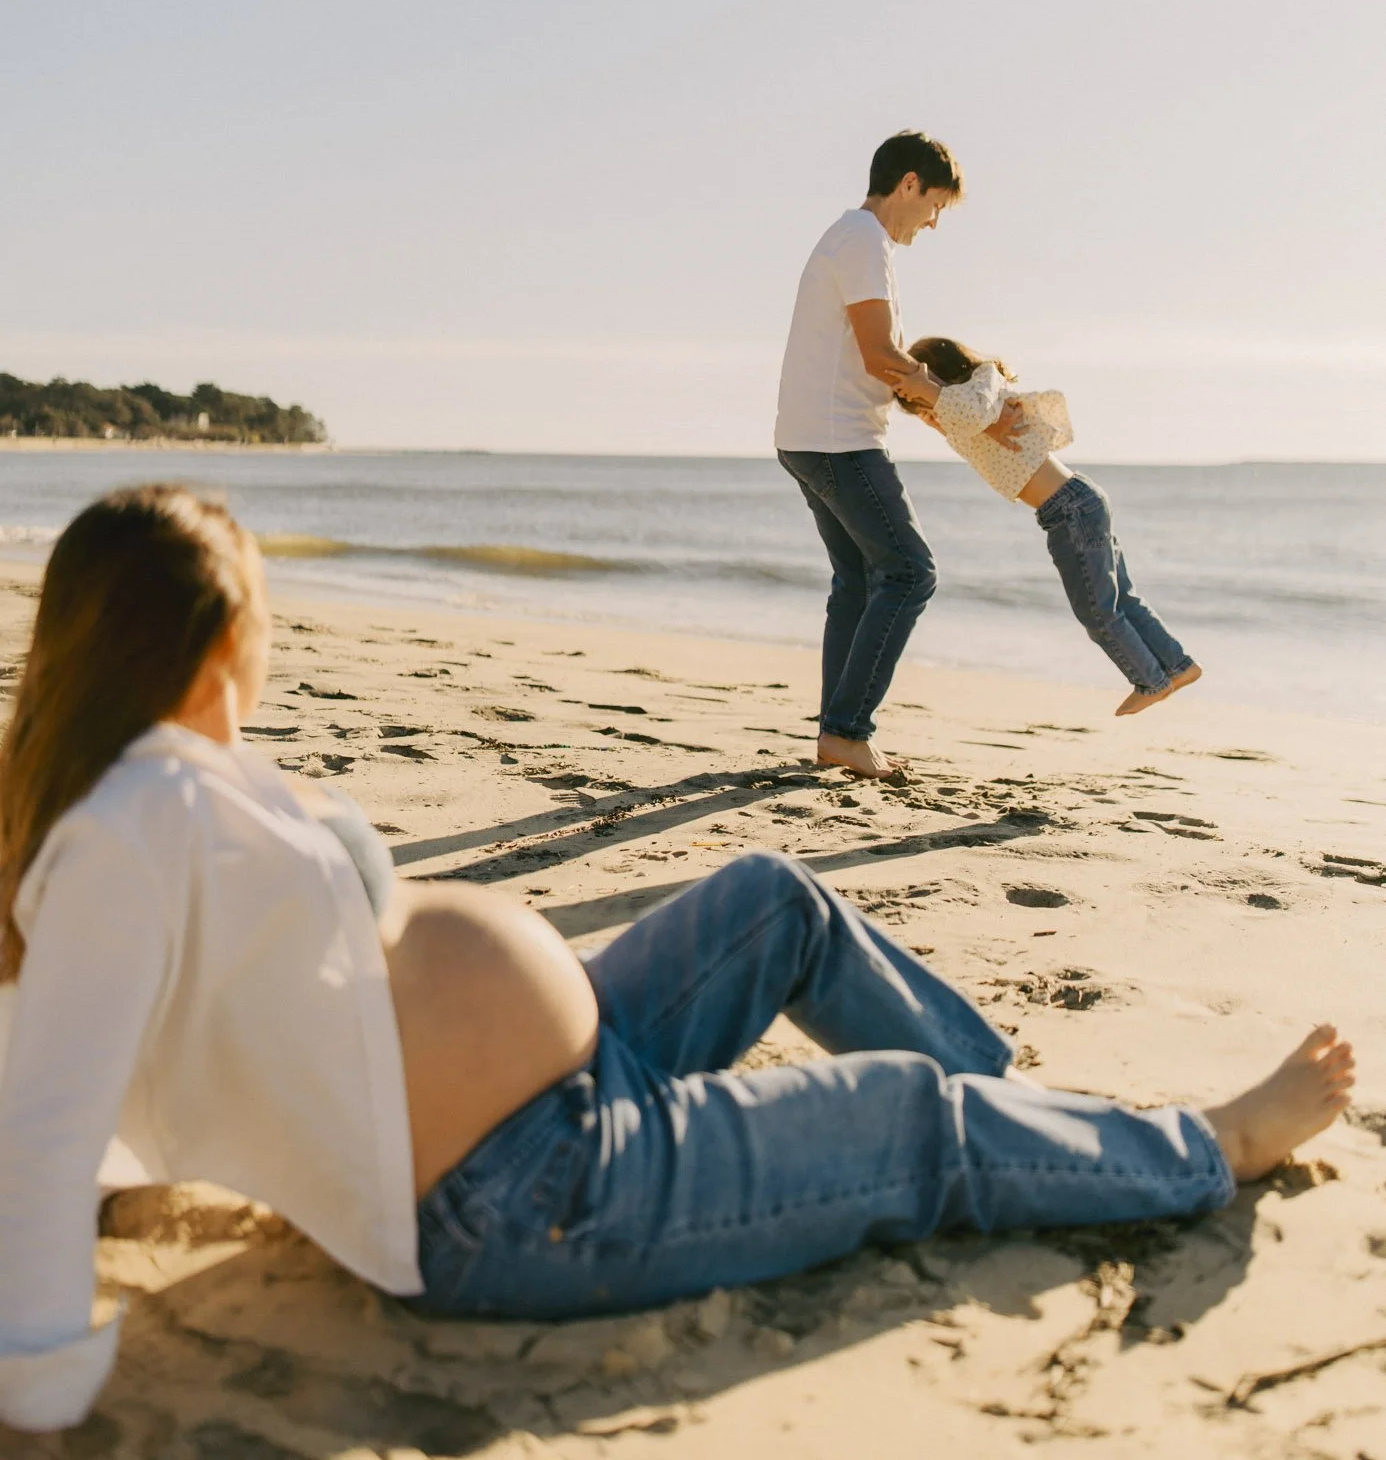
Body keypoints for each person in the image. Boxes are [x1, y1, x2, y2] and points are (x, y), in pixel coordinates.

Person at [0, 487, 1353, 1434]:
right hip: (528, 1199)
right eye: (251, 621)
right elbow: (49, 1113)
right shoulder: (130, 824)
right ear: (203, 633)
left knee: (776, 900)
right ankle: (1197, 1147)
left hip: (558, 1093)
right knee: (901, 1125)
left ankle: (1035, 1115)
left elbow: (139, 1046)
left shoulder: (167, 785)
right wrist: (39, 1377)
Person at [774, 131, 1023, 780]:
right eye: (936, 204)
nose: (935, 221)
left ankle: (837, 734)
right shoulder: (862, 240)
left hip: (809, 435)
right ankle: (849, 731)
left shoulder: (851, 238)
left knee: (858, 580)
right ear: (908, 184)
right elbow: (881, 356)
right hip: (839, 438)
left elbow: (879, 358)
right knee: (911, 572)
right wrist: (967, 408)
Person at [901, 337, 1201, 714]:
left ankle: (1151, 680)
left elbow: (970, 411)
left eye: (923, 399)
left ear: (942, 376)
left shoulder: (983, 386)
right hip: (1075, 503)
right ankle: (1178, 666)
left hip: (1071, 507)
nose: (925, 409)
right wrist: (934, 412)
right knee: (1120, 597)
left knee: (1097, 609)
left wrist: (929, 391)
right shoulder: (973, 409)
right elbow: (964, 424)